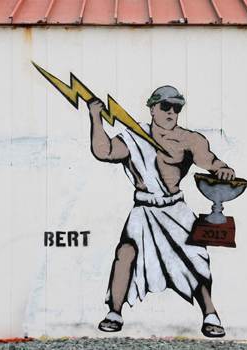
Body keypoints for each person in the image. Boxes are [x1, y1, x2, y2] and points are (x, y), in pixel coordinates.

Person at [88, 85, 235, 338]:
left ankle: (210, 314)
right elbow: (105, 151)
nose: (171, 112)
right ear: (152, 108)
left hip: (175, 209)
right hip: (144, 209)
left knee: (196, 257)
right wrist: (95, 117)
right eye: (165, 106)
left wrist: (223, 169)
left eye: (176, 108)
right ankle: (114, 312)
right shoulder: (134, 136)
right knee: (125, 253)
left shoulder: (190, 138)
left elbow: (209, 160)